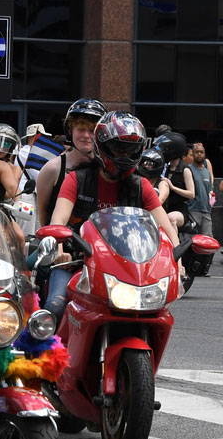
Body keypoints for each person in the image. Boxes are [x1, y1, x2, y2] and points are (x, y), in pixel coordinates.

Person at [45, 112, 179, 320]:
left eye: (130, 149)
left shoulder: (141, 185)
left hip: (126, 271)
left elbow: (168, 231)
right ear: (102, 147)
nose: (124, 155)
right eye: (118, 148)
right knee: (55, 307)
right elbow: (58, 221)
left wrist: (178, 262)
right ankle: (44, 351)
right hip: (76, 263)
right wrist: (61, 250)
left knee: (158, 313)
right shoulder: (76, 180)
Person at [36, 98, 105, 226]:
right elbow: (44, 216)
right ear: (70, 130)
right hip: (62, 242)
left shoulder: (108, 168)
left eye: (92, 130)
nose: (86, 135)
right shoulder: (53, 168)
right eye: (80, 129)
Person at [187, 140, 216, 236]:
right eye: (197, 152)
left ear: (204, 154)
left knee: (208, 239)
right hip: (192, 210)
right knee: (193, 238)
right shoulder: (188, 169)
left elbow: (209, 189)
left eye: (201, 152)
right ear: (193, 154)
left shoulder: (207, 172)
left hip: (206, 210)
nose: (199, 154)